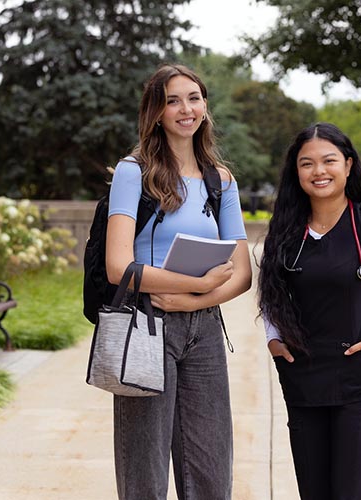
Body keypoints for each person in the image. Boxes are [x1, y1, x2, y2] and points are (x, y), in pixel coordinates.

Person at [105, 64, 252, 500]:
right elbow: (118, 266)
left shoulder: (221, 181)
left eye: (194, 97)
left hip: (204, 327)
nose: (185, 108)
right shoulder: (134, 172)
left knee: (210, 466)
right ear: (156, 111)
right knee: (145, 469)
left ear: (205, 106)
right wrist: (193, 287)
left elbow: (242, 272)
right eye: (172, 100)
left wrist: (196, 295)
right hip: (146, 325)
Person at [258, 122, 361, 500]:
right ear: (295, 172)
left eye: (329, 160)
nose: (319, 171)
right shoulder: (285, 232)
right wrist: (273, 339)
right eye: (307, 163)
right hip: (304, 379)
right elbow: (271, 294)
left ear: (348, 166)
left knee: (355, 491)